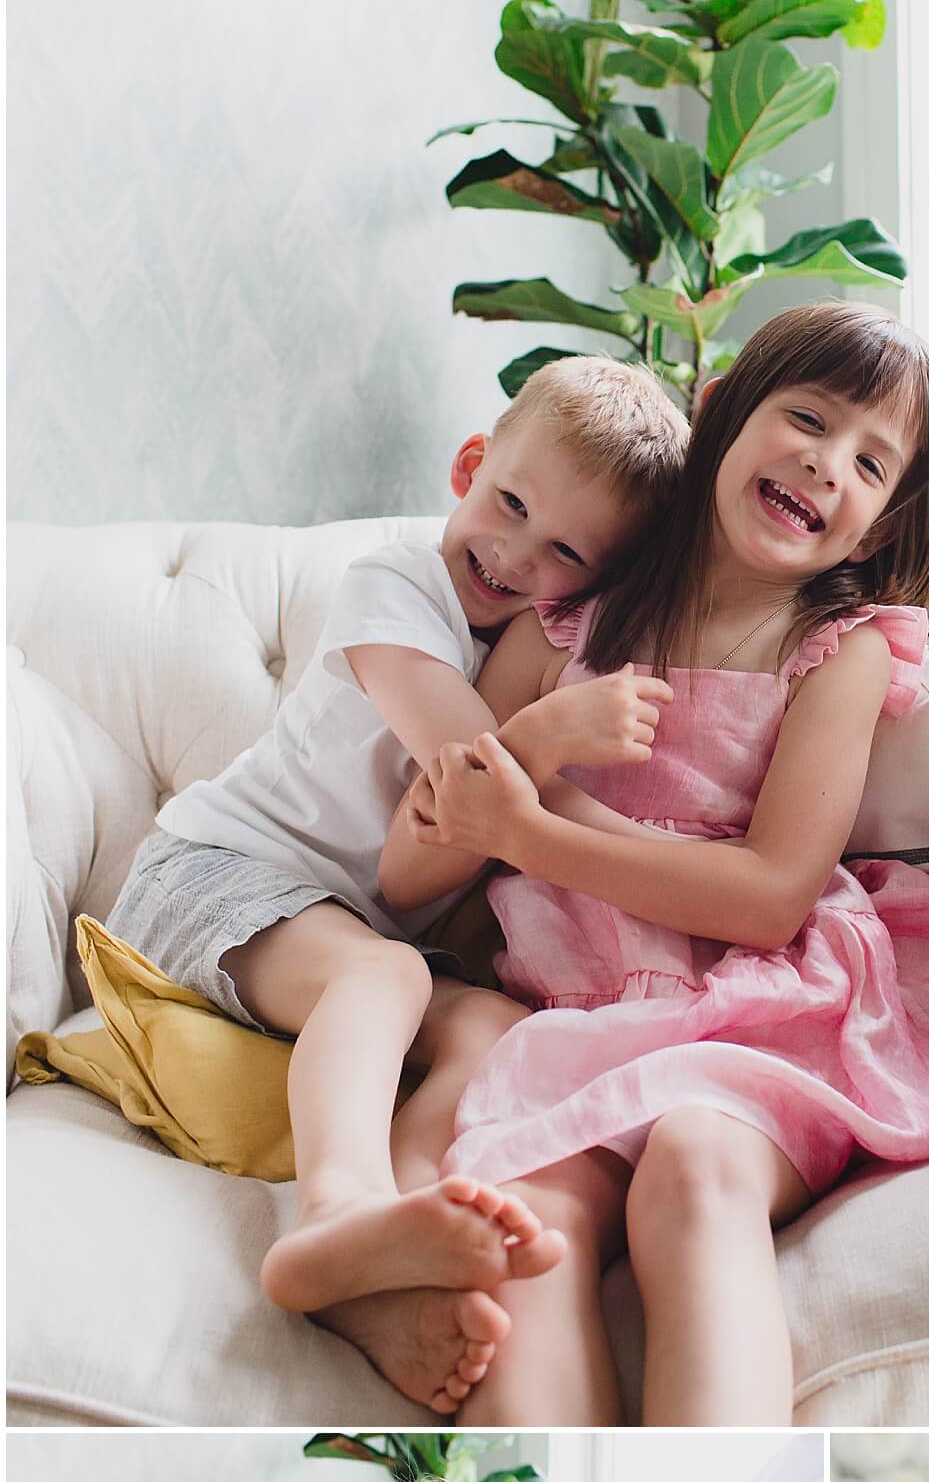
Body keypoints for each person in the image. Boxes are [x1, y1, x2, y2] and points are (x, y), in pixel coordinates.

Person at [362, 302, 929, 1426]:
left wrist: (532, 834)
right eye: (808, 420)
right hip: (576, 1011)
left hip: (761, 1006)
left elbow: (772, 897)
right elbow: (412, 871)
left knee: (693, 1166)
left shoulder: (839, 650)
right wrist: (514, 771)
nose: (826, 464)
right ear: (722, 415)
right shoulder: (572, 621)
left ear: (879, 525)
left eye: (870, 462)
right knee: (528, 1222)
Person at [103, 356, 687, 1409]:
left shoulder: (524, 645)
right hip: (213, 875)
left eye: (564, 553)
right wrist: (550, 733)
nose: (514, 555)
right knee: (388, 982)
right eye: (509, 504)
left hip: (331, 922)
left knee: (500, 1031)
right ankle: (336, 1209)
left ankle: (398, 1251)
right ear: (471, 466)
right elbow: (465, 778)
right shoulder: (393, 583)